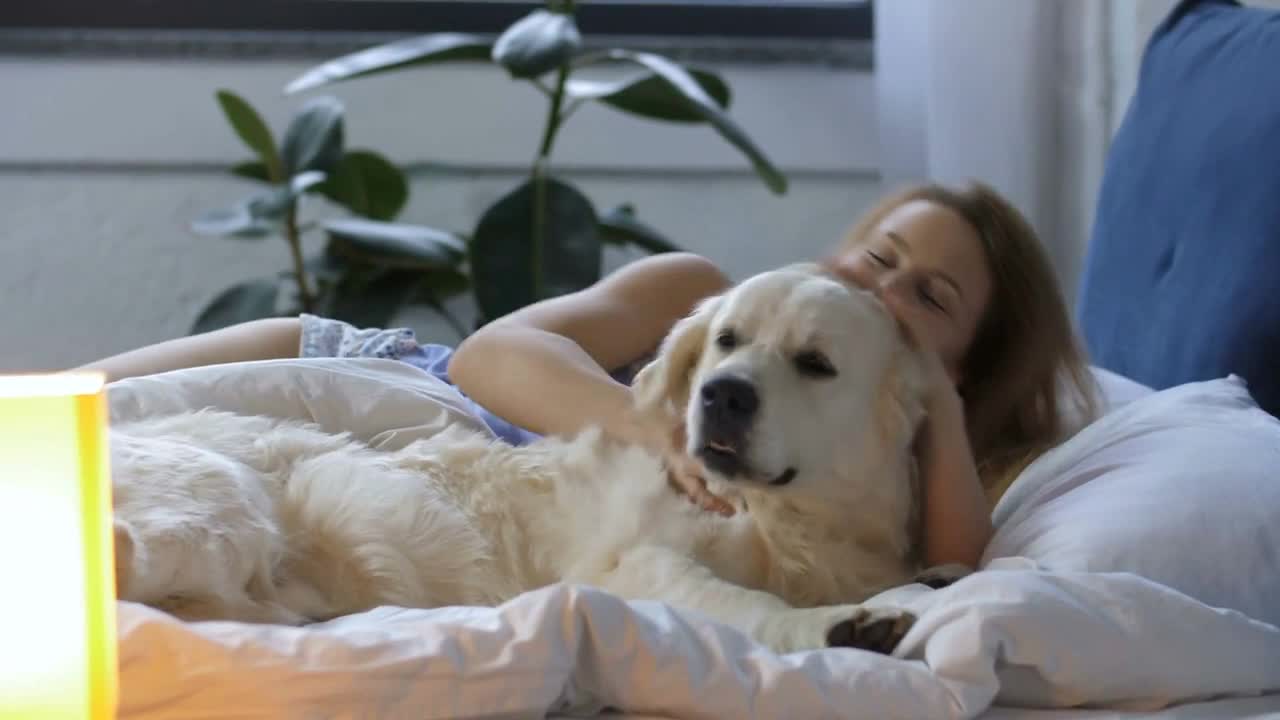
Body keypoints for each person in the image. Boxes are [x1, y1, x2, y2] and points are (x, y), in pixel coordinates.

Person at [79, 180, 1098, 572]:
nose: (883, 292)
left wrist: (941, 413)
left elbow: (961, 569)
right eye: (876, 256)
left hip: (418, 504)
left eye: (929, 298)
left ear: (962, 358)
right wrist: (655, 427)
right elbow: (489, 357)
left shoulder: (898, 447)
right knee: (41, 417)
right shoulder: (700, 294)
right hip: (366, 372)